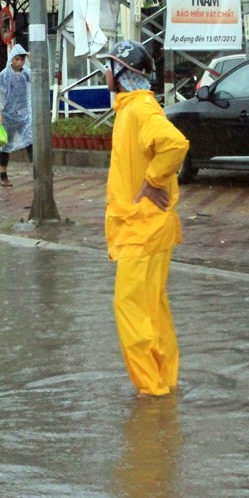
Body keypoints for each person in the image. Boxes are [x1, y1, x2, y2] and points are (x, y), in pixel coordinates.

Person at [105, 40, 189, 396]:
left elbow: (175, 144)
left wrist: (153, 180)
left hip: (142, 229)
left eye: (110, 67)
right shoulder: (133, 108)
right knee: (153, 309)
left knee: (132, 308)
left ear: (124, 73)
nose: (105, 73)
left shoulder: (140, 109)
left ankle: (151, 391)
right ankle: (164, 383)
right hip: (147, 228)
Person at [0, 43, 33, 187]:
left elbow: (38, 79)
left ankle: (37, 171)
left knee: (30, 140)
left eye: (21, 59)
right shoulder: (4, 76)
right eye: (16, 59)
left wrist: (32, 60)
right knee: (5, 145)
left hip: (24, 114)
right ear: (11, 59)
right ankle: (3, 176)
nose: (19, 62)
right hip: (8, 115)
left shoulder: (26, 73)